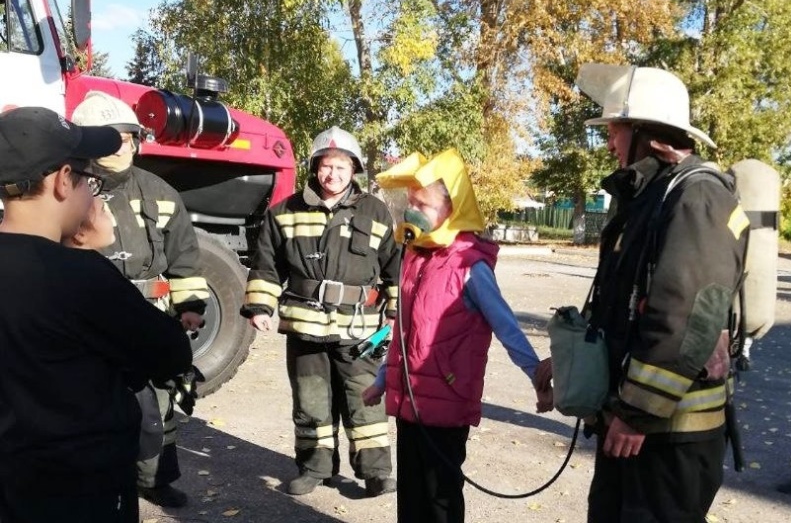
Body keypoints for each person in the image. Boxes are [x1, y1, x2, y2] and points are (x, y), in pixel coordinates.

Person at [571, 64, 749, 522]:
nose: (609, 142)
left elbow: (686, 313)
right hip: (634, 425)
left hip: (668, 436)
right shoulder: (650, 197)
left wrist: (637, 411)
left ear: (645, 132)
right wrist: (576, 362)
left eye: (614, 130)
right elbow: (622, 306)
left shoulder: (696, 198)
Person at [0, 106, 193, 523]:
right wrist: (93, 253)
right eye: (90, 180)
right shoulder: (79, 276)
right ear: (61, 181)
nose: (95, 194)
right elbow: (172, 353)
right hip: (77, 491)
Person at [363, 148, 554, 523]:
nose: (412, 210)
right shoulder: (414, 257)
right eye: (411, 201)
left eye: (424, 203)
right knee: (412, 498)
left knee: (440, 499)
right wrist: (384, 378)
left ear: (452, 208)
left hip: (446, 404)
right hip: (409, 402)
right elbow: (404, 330)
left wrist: (536, 373)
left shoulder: (470, 265)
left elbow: (505, 325)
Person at [241, 126, 401, 497]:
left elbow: (395, 266)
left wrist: (395, 311)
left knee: (366, 399)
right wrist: (261, 305)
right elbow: (266, 264)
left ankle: (376, 472)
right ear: (315, 167)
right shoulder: (284, 212)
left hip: (360, 329)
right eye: (327, 166)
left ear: (354, 169)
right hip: (305, 327)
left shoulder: (376, 212)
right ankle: (315, 468)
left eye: (342, 167)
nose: (334, 174)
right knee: (311, 400)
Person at [71, 91, 209, 509]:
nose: (122, 146)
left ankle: (155, 479)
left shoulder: (159, 191)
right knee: (92, 402)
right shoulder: (69, 186)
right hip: (88, 316)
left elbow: (184, 254)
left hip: (149, 314)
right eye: (111, 138)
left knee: (159, 403)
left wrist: (190, 308)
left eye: (128, 137)